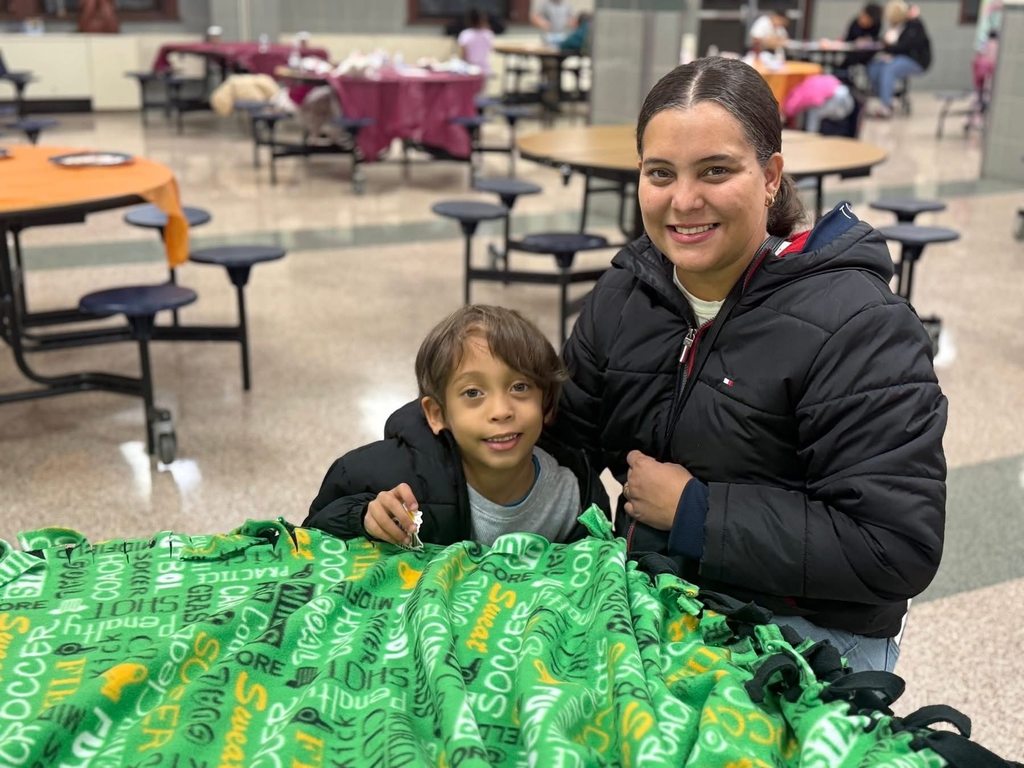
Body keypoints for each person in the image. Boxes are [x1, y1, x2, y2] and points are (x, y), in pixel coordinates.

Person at [549, 56, 946, 673]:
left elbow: (894, 546)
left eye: (716, 170)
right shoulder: (628, 294)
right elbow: (558, 442)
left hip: (808, 638)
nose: (683, 200)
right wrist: (408, 476)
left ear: (770, 176)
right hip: (657, 601)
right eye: (660, 173)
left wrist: (694, 513)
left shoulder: (860, 325)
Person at [305, 305, 609, 547]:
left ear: (546, 404)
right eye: (473, 393)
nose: (501, 411)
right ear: (437, 414)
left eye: (519, 387)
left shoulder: (573, 495)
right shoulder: (399, 478)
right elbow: (310, 534)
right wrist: (363, 518)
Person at [866, 0, 931, 117]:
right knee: (874, 66)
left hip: (916, 61)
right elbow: (888, 42)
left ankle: (886, 106)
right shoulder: (896, 27)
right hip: (897, 58)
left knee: (889, 69)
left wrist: (886, 47)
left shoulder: (914, 25)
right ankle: (887, 98)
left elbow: (904, 46)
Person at [841, 2, 882, 68]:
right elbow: (848, 39)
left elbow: (876, 39)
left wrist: (869, 40)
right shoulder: (855, 23)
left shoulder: (877, 25)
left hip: (867, 55)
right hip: (853, 52)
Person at [457, 8, 495, 76]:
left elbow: (463, 55)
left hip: (470, 69)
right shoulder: (488, 34)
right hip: (485, 69)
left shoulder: (465, 34)